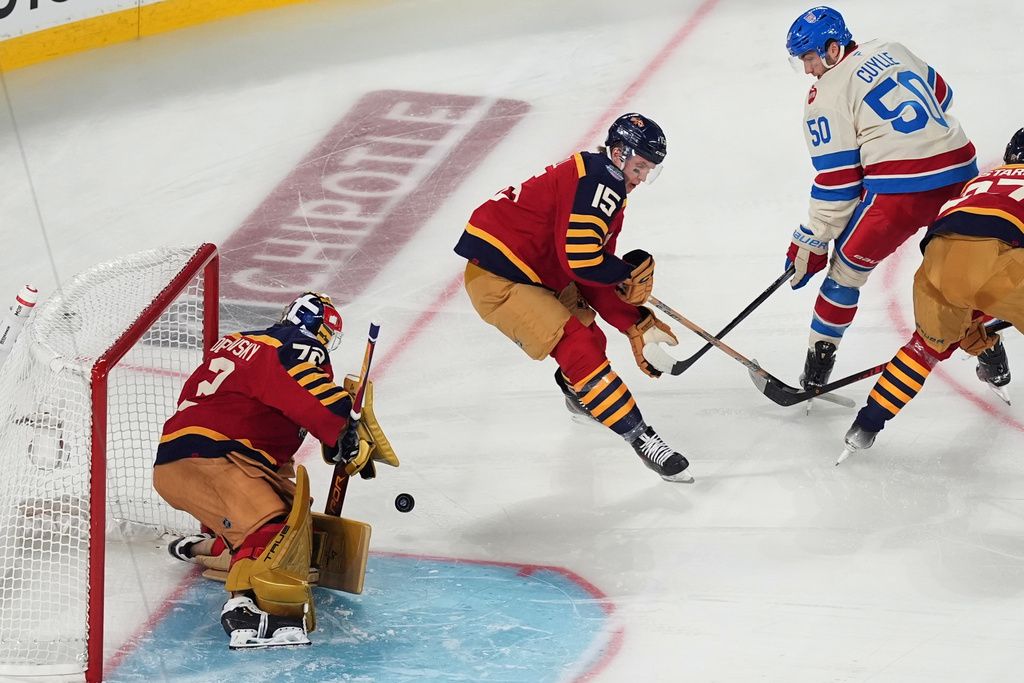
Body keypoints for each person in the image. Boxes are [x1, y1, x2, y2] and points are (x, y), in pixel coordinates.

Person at [453, 113, 692, 483]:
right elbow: (581, 260)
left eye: (650, 170)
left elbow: (590, 275)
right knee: (579, 347)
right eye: (640, 166)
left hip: (536, 271)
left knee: (590, 337)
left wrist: (634, 321)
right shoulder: (600, 182)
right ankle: (643, 439)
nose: (643, 178)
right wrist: (624, 275)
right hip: (498, 277)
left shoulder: (604, 183)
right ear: (618, 153)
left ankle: (579, 394)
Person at [153, 292, 376, 649]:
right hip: (217, 457)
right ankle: (244, 607)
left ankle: (198, 547)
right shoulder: (297, 345)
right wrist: (341, 427)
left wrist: (334, 439)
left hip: (179, 461)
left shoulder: (241, 341)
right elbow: (305, 386)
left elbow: (265, 408)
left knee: (273, 534)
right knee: (273, 531)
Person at [783, 6, 984, 392]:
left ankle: (815, 373)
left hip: (901, 192)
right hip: (961, 173)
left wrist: (813, 237)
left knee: (844, 273)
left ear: (831, 48)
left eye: (809, 58)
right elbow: (943, 95)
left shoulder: (823, 96)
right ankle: (991, 354)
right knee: (968, 273)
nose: (808, 70)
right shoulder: (892, 48)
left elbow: (839, 182)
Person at [840, 128, 1024, 459]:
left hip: (938, 261)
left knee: (923, 349)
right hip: (1001, 258)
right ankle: (986, 353)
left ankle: (865, 427)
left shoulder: (981, 182)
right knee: (988, 284)